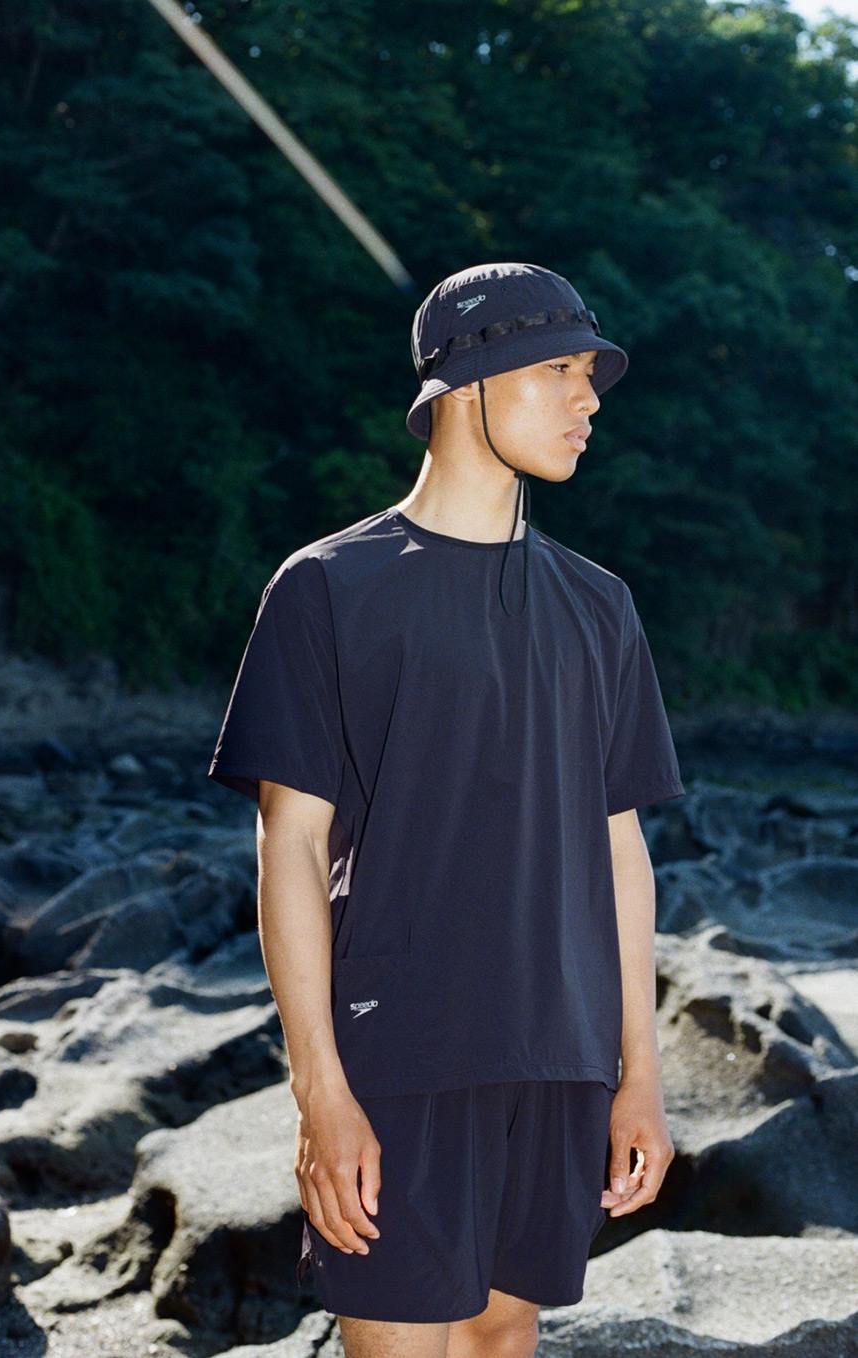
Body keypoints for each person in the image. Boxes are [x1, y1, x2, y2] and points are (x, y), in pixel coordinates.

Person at [207, 262, 687, 1358]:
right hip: (401, 1051)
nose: (589, 399)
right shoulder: (327, 588)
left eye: (591, 374)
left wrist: (641, 1078)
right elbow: (292, 847)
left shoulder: (600, 606)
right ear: (467, 384)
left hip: (561, 1054)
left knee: (504, 1337)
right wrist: (320, 1092)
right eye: (560, 371)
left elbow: (621, 852)